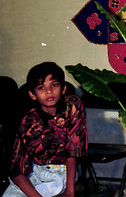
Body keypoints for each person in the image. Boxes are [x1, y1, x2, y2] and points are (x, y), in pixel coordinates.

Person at [3, 62, 87, 197]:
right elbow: (17, 172)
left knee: (54, 188)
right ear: (32, 94)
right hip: (34, 173)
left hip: (61, 173)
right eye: (41, 87)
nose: (49, 91)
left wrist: (70, 191)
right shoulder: (28, 122)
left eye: (54, 85)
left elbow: (73, 150)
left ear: (63, 88)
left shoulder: (72, 106)